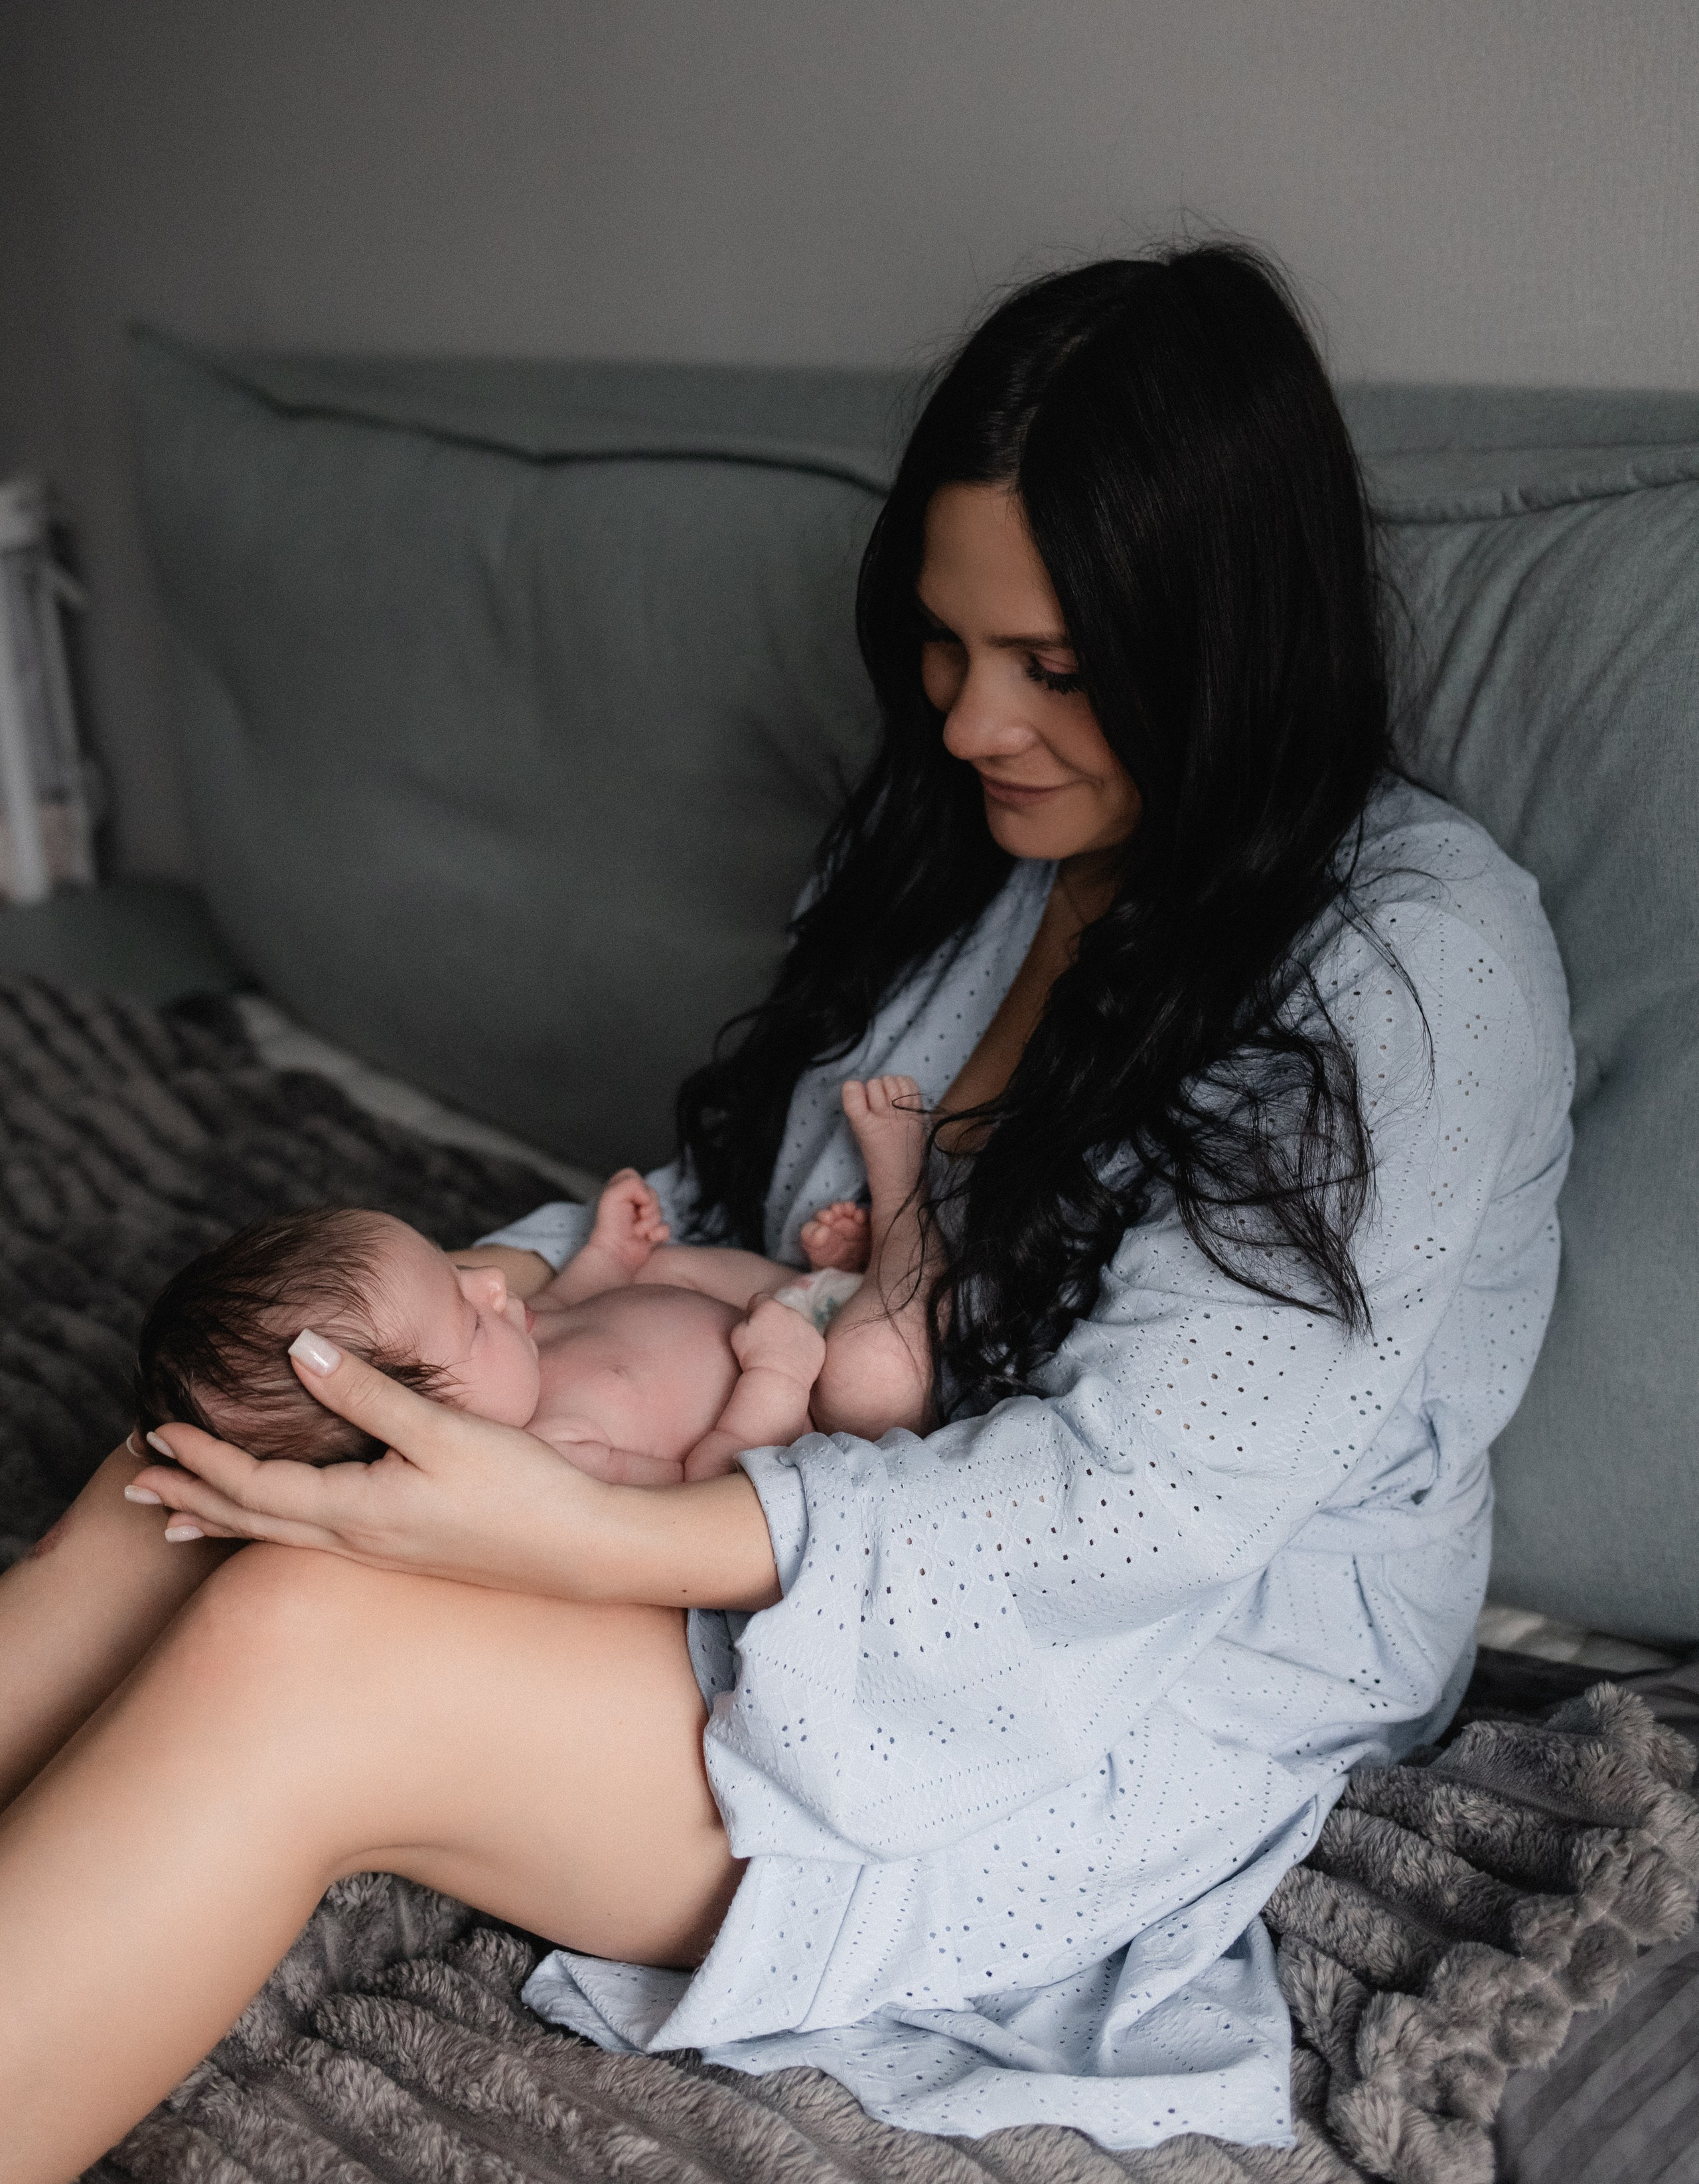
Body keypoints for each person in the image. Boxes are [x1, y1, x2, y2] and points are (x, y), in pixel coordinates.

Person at [0, 244, 1573, 2181]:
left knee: (305, 1628)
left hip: (1100, 1673)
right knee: (211, 1452)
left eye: (1055, 670)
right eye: (943, 641)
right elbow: (740, 1218)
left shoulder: (1412, 967)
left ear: (1226, 639)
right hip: (747, 1477)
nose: (975, 719)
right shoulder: (984, 845)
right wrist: (484, 1300)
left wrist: (576, 1524)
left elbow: (1133, 1511)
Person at [130, 1075, 932, 1487]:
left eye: (456, 1271)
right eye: (468, 1319)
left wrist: (611, 1258)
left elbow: (567, 1300)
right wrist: (779, 1373)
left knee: (663, 1268)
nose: (489, 1282)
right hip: (806, 1385)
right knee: (871, 1386)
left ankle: (828, 1277)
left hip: (774, 1302)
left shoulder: (510, 1353)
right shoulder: (552, 1456)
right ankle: (908, 1216)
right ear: (412, 1433)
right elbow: (713, 1483)